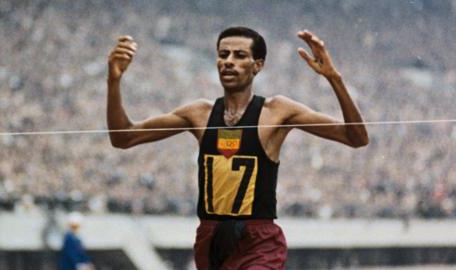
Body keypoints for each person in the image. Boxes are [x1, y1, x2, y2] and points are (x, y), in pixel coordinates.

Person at [107, 26, 369, 269]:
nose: (228, 61)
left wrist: (334, 77)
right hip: (211, 237)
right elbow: (124, 137)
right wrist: (114, 80)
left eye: (239, 55)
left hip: (258, 239)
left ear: (258, 65)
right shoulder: (198, 114)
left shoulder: (277, 111)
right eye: (223, 54)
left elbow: (355, 137)